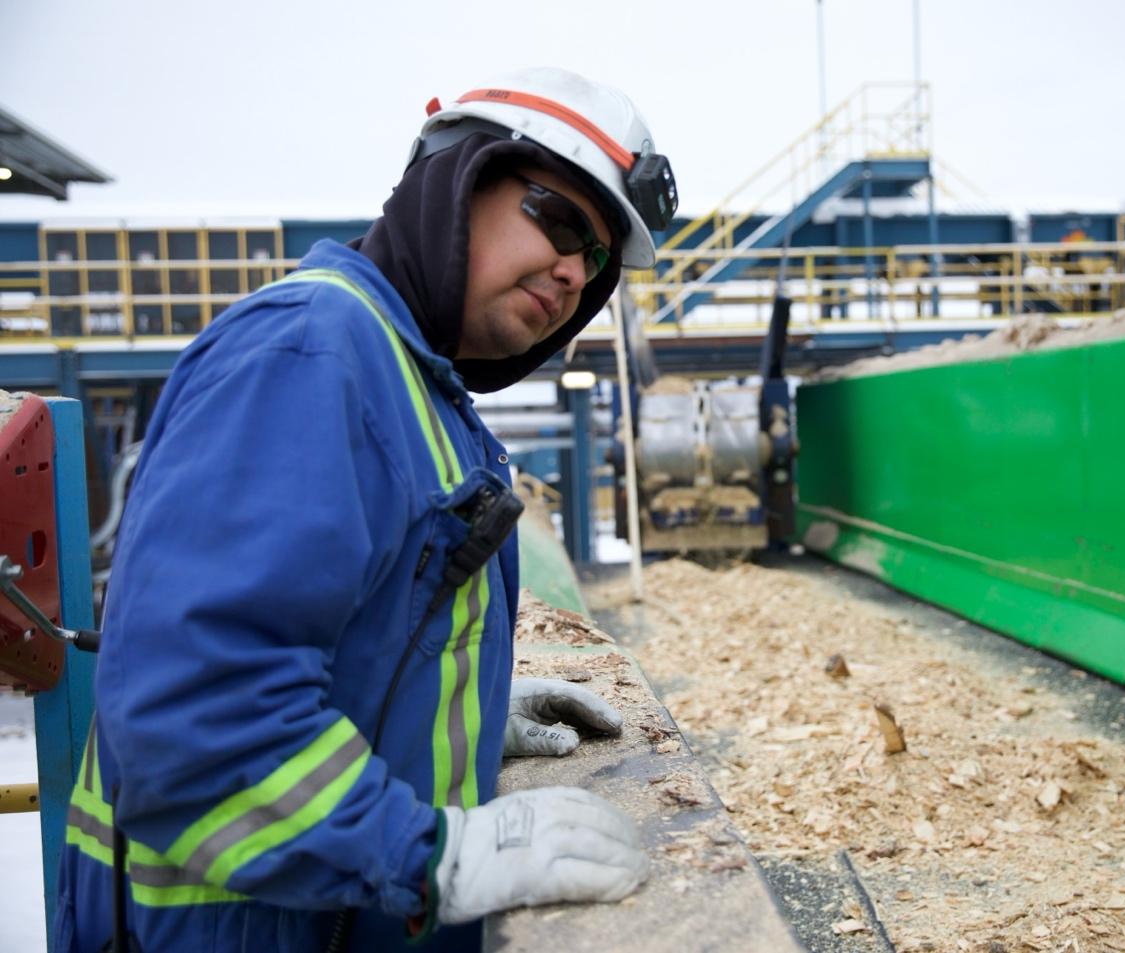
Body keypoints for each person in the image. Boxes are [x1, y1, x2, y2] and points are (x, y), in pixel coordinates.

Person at [54, 67, 679, 952]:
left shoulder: (410, 382)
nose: (578, 269)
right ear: (460, 175)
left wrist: (456, 717)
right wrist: (434, 855)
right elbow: (195, 714)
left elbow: (339, 635)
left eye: (601, 257)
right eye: (561, 217)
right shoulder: (312, 354)